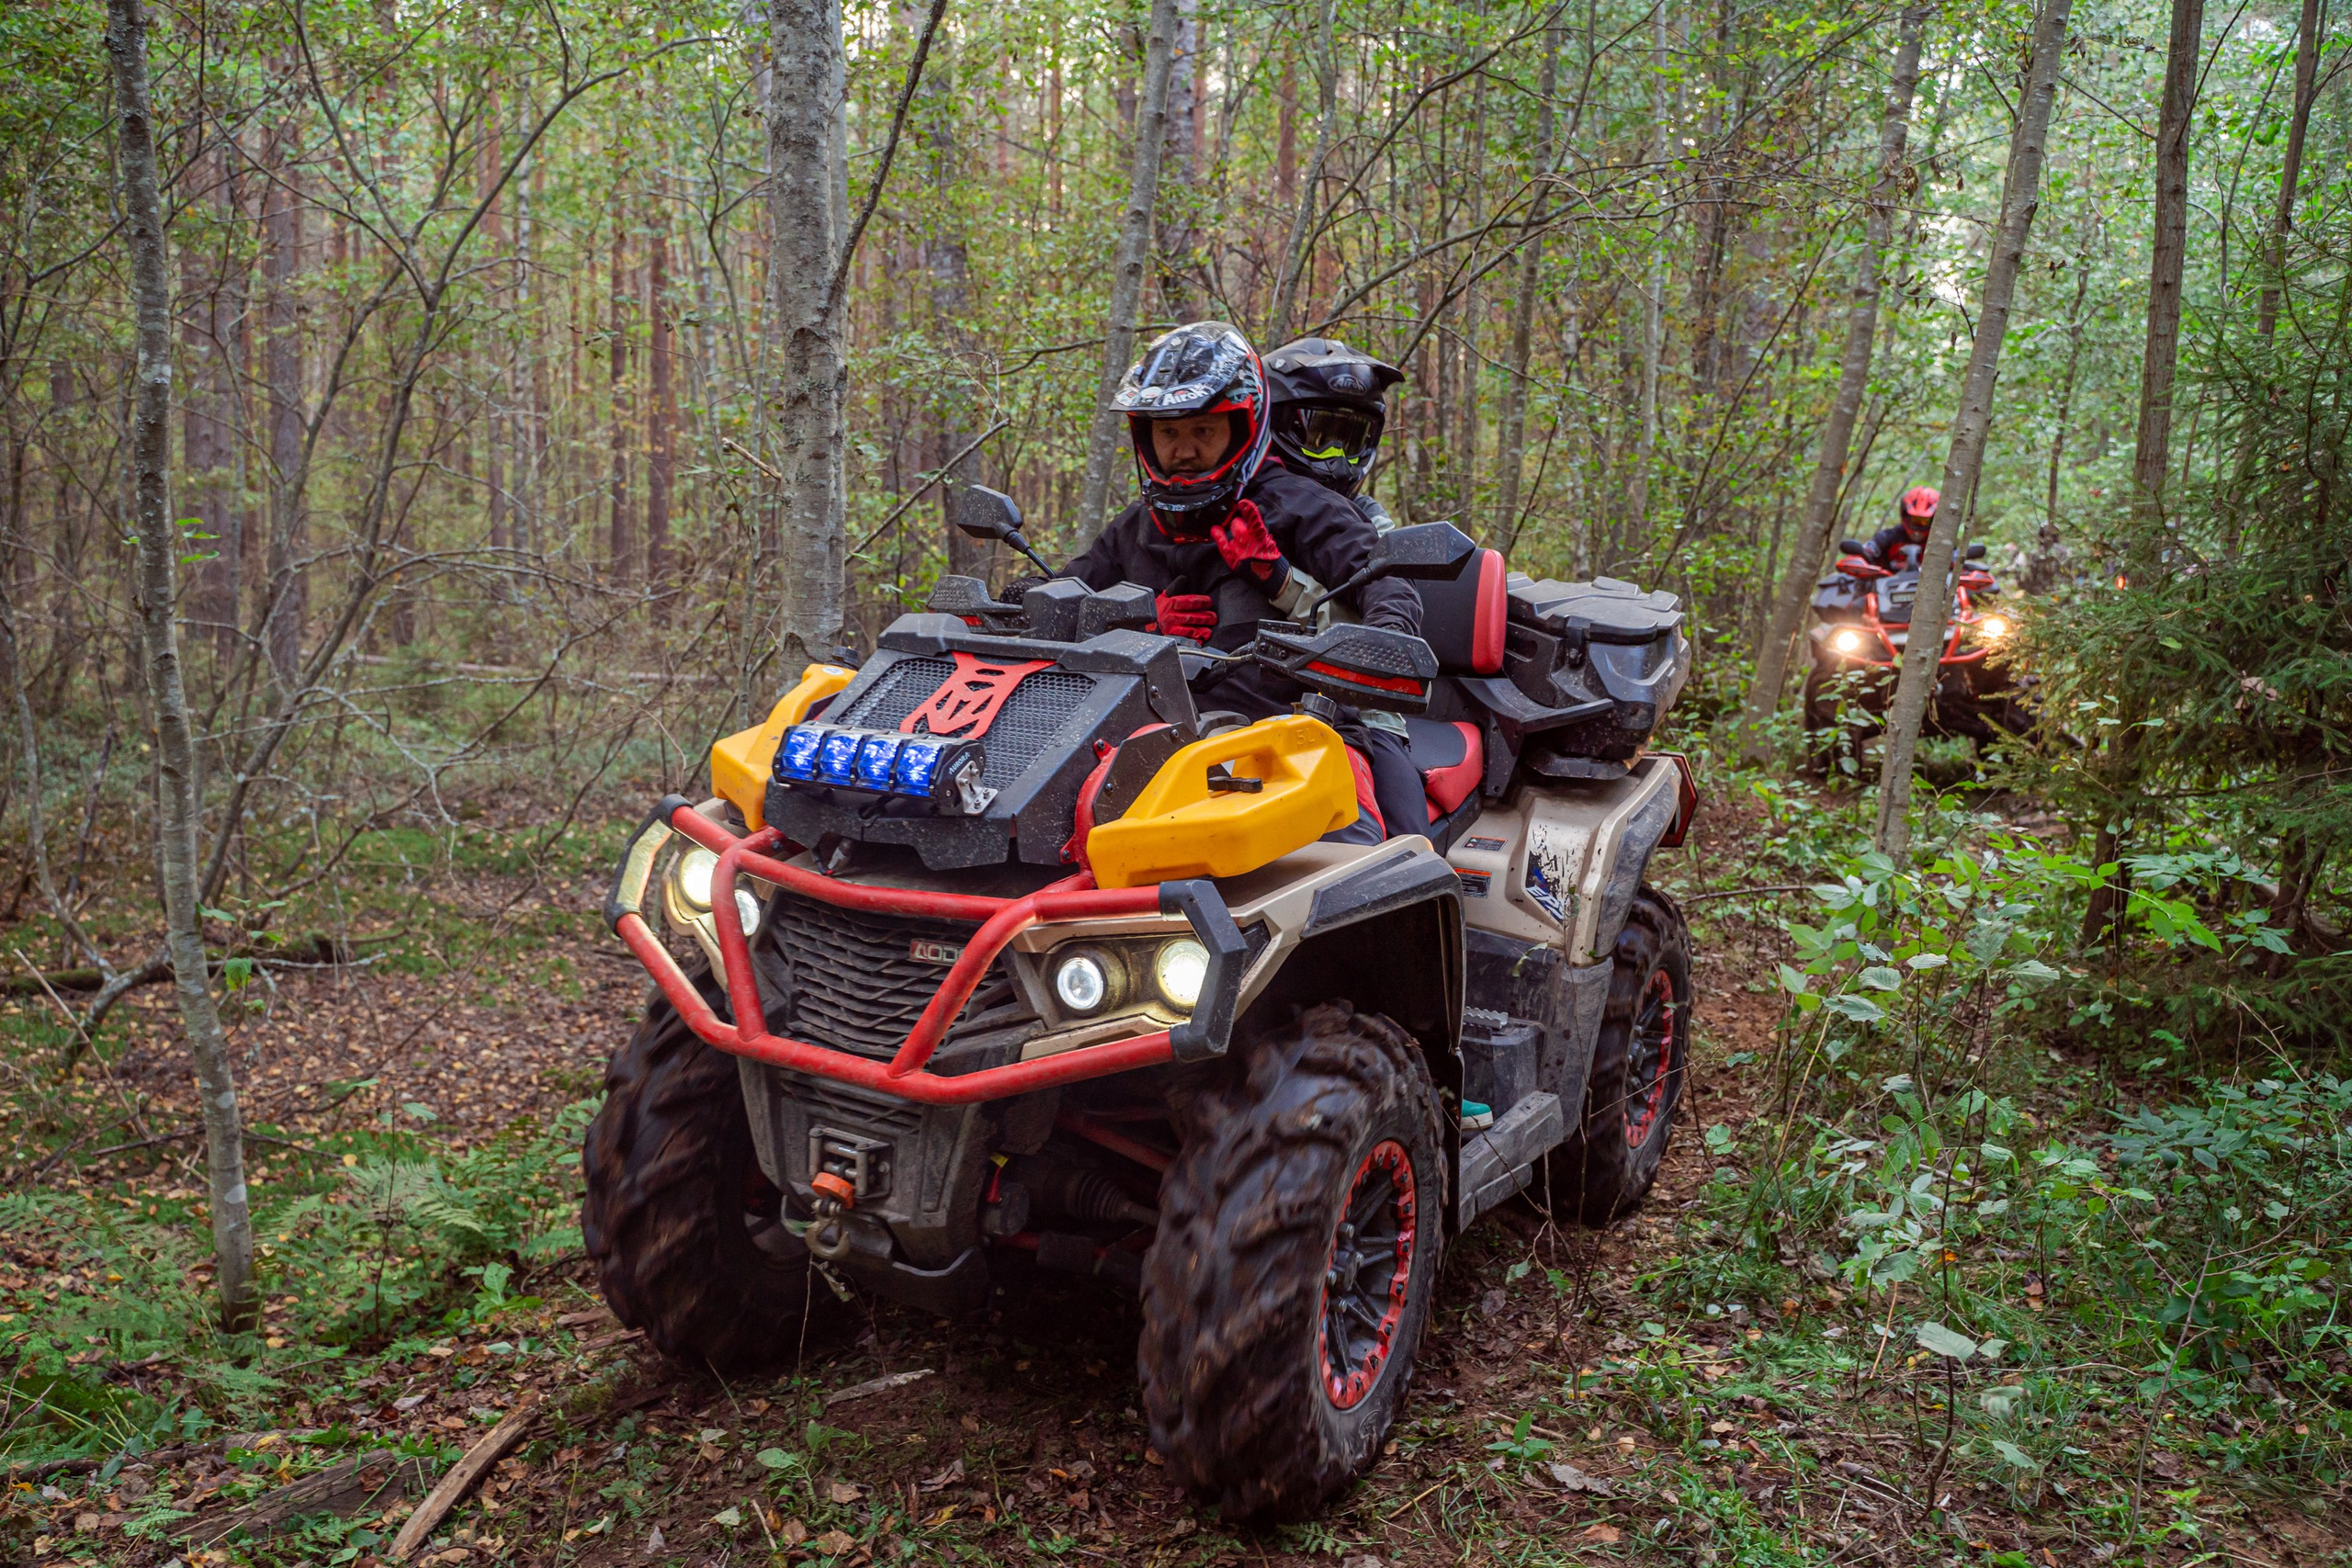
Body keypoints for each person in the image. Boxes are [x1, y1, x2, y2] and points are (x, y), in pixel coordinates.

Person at [1058, 321, 1430, 841]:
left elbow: (1387, 581)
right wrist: (1136, 618)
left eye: (1202, 432)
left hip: (1290, 736)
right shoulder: (1135, 525)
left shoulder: (1301, 506)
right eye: (1168, 433)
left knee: (1369, 864)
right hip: (1143, 739)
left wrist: (1380, 640)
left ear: (1243, 426)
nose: (1183, 451)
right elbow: (1068, 591)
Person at [1863, 485, 1940, 570]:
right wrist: (1863, 554)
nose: (1918, 526)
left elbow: (1955, 561)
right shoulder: (1888, 537)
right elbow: (1867, 549)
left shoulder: (1940, 544)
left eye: (1924, 521)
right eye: (1915, 520)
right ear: (1905, 515)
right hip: (1884, 581)